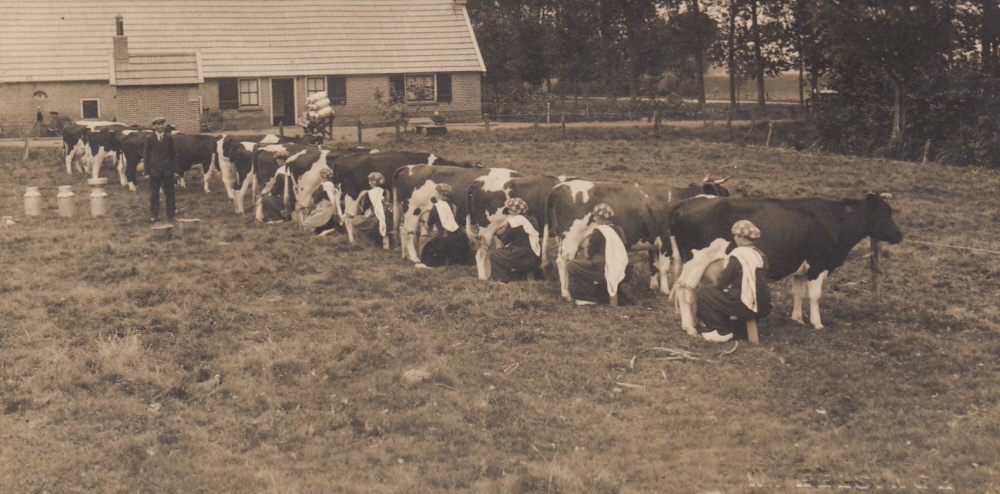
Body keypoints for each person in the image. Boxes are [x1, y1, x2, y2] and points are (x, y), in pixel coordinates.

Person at [695, 220, 772, 342]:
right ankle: (739, 329)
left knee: (704, 294)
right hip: (763, 304)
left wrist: (720, 283)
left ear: (742, 237)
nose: (735, 238)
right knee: (731, 294)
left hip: (743, 304)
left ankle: (721, 331)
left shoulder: (738, 255)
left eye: (736, 235)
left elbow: (722, 282)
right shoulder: (759, 255)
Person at [567, 203, 631, 306]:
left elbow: (589, 255)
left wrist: (585, 249)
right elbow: (625, 246)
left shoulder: (599, 231)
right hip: (621, 267)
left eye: (595, 217)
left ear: (598, 217)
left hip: (602, 268)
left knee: (572, 265)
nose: (595, 220)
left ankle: (585, 297)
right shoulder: (619, 230)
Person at [416, 183, 472, 268]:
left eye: (436, 194)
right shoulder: (455, 207)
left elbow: (428, 226)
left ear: (441, 195)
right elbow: (460, 223)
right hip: (459, 238)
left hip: (443, 238)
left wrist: (424, 222)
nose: (435, 196)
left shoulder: (436, 207)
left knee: (424, 240)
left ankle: (426, 261)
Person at [487, 197, 542, 282]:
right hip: (535, 257)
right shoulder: (533, 219)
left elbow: (505, 240)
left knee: (494, 255)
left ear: (516, 211)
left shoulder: (514, 221)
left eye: (510, 210)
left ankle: (501, 279)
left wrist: (496, 233)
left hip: (521, 257)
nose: (509, 212)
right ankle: (525, 275)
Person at [142, 117, 177, 223]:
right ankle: (154, 215)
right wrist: (147, 172)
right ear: (154, 126)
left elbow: (174, 155)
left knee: (170, 194)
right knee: (154, 194)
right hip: (154, 171)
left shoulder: (169, 138)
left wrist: (174, 171)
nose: (161, 126)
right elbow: (146, 156)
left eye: (162, 124)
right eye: (158, 124)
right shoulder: (149, 139)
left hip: (168, 171)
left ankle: (171, 215)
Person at [350, 172, 392, 249]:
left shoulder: (369, 193)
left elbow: (363, 208)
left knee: (356, 220)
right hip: (389, 219)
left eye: (369, 181)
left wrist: (359, 198)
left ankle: (363, 245)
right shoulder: (388, 192)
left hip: (376, 220)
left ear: (373, 182)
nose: (369, 183)